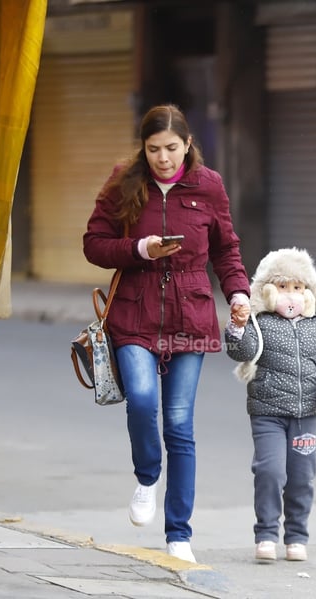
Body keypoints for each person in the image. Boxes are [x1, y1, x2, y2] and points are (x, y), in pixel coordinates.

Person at [83, 104, 251, 563]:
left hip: (190, 314)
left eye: (172, 148)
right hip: (133, 314)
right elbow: (94, 244)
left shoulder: (209, 186)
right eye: (154, 149)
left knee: (179, 424)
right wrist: (139, 248)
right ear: (143, 147)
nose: (163, 158)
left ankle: (179, 535)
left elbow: (227, 250)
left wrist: (238, 294)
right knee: (140, 398)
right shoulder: (124, 181)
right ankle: (146, 475)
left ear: (188, 145)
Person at [225, 247, 316, 562]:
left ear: (310, 291)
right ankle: (266, 534)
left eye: (297, 287)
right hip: (267, 412)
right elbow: (242, 352)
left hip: (306, 414)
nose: (290, 295)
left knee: (301, 476)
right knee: (270, 471)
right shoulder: (261, 322)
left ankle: (296, 536)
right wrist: (238, 327)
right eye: (282, 287)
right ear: (267, 289)